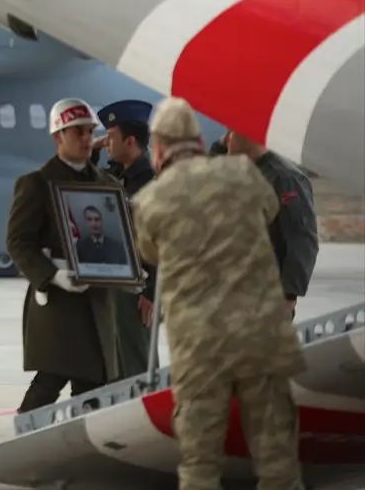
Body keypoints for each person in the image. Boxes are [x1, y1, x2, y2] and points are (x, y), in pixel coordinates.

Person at [132, 97, 307, 490]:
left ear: (158, 148)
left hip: (200, 346)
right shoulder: (245, 176)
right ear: (199, 138)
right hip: (262, 336)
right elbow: (267, 210)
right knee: (278, 461)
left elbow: (149, 251)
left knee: (200, 465)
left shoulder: (150, 202)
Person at [5, 97, 121, 413]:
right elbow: (18, 242)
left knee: (93, 386)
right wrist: (51, 274)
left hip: (95, 300)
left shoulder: (107, 185)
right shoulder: (36, 185)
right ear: (58, 138)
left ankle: (84, 453)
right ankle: (23, 444)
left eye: (88, 131)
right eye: (77, 132)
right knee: (51, 379)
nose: (86, 139)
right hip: (58, 302)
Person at [223, 130, 319, 319]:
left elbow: (302, 240)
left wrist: (288, 295)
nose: (227, 139)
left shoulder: (284, 179)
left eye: (232, 132)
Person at [95, 99, 158, 381]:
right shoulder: (113, 176)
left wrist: (151, 293)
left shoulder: (151, 183)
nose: (105, 142)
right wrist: (94, 153)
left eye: (111, 137)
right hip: (114, 282)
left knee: (136, 364)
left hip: (138, 289)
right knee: (113, 364)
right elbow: (82, 186)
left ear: (130, 141)